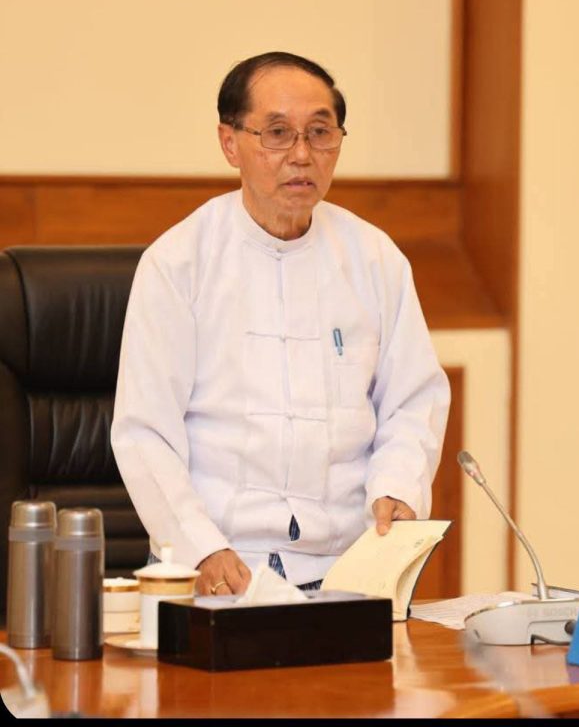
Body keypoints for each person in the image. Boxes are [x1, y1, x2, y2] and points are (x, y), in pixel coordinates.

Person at [111, 51, 450, 598]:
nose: (301, 155)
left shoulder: (374, 258)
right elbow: (144, 431)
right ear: (230, 143)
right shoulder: (178, 262)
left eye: (320, 132)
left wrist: (397, 487)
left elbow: (413, 400)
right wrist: (201, 548)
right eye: (277, 133)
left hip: (348, 570)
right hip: (217, 568)